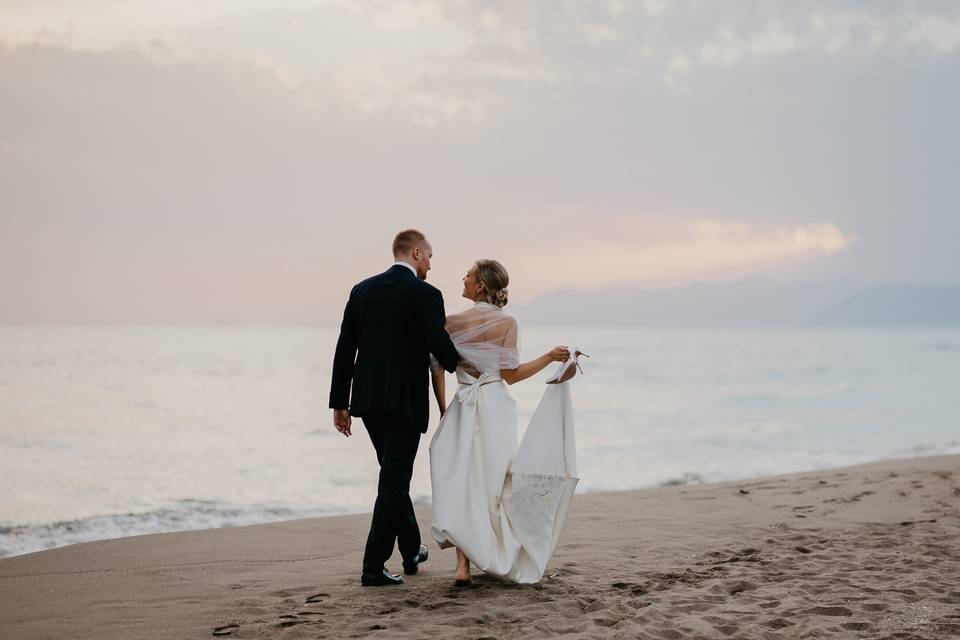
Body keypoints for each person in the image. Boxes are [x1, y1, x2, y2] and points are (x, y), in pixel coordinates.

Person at [429, 259, 581, 586]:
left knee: (462, 481)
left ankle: (463, 566)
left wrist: (444, 410)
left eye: (468, 275)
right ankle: (494, 548)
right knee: (493, 483)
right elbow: (510, 376)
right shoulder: (508, 324)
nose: (464, 278)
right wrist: (548, 357)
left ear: (481, 285)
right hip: (496, 408)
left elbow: (437, 368)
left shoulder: (450, 322)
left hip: (463, 404)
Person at [329, 229, 459, 586]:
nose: (431, 264)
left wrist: (339, 402)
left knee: (392, 474)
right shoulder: (427, 295)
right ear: (416, 252)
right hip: (404, 403)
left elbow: (345, 347)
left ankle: (412, 549)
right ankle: (373, 566)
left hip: (367, 401)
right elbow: (440, 344)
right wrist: (467, 364)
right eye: (430, 257)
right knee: (394, 479)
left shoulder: (362, 289)